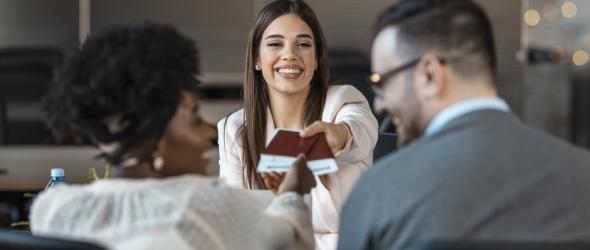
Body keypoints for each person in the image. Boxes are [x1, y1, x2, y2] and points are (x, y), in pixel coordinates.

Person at [30, 22, 317, 250]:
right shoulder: (210, 208)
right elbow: (288, 240)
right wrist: (293, 192)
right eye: (194, 120)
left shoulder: (51, 209)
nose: (208, 132)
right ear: (158, 141)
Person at [338, 0, 590, 249]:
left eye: (381, 82)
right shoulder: (582, 173)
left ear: (429, 75)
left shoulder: (381, 190)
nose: (379, 104)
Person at [217, 0, 378, 249]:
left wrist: (339, 135)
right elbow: (236, 223)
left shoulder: (343, 101)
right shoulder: (234, 128)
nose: (290, 54)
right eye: (275, 44)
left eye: (303, 44)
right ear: (257, 59)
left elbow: (360, 131)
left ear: (316, 59)